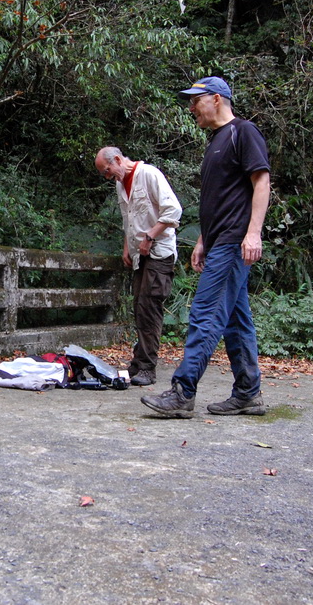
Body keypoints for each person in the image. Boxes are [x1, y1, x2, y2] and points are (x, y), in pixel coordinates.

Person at [142, 76, 270, 418]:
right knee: (236, 321)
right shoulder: (215, 142)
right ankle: (248, 392)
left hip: (234, 242)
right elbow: (218, 199)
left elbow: (261, 182)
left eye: (195, 100)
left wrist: (253, 233)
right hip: (218, 242)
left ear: (216, 98)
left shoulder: (244, 132)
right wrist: (202, 239)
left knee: (206, 313)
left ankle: (183, 392)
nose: (191, 107)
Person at [94, 147, 182, 387]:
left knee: (150, 306)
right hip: (139, 254)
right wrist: (127, 247)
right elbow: (128, 218)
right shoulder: (121, 184)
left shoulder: (149, 175)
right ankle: (139, 362)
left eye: (107, 170)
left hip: (159, 251)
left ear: (119, 160)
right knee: (140, 306)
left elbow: (173, 210)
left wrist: (150, 237)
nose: (107, 176)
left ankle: (147, 368)